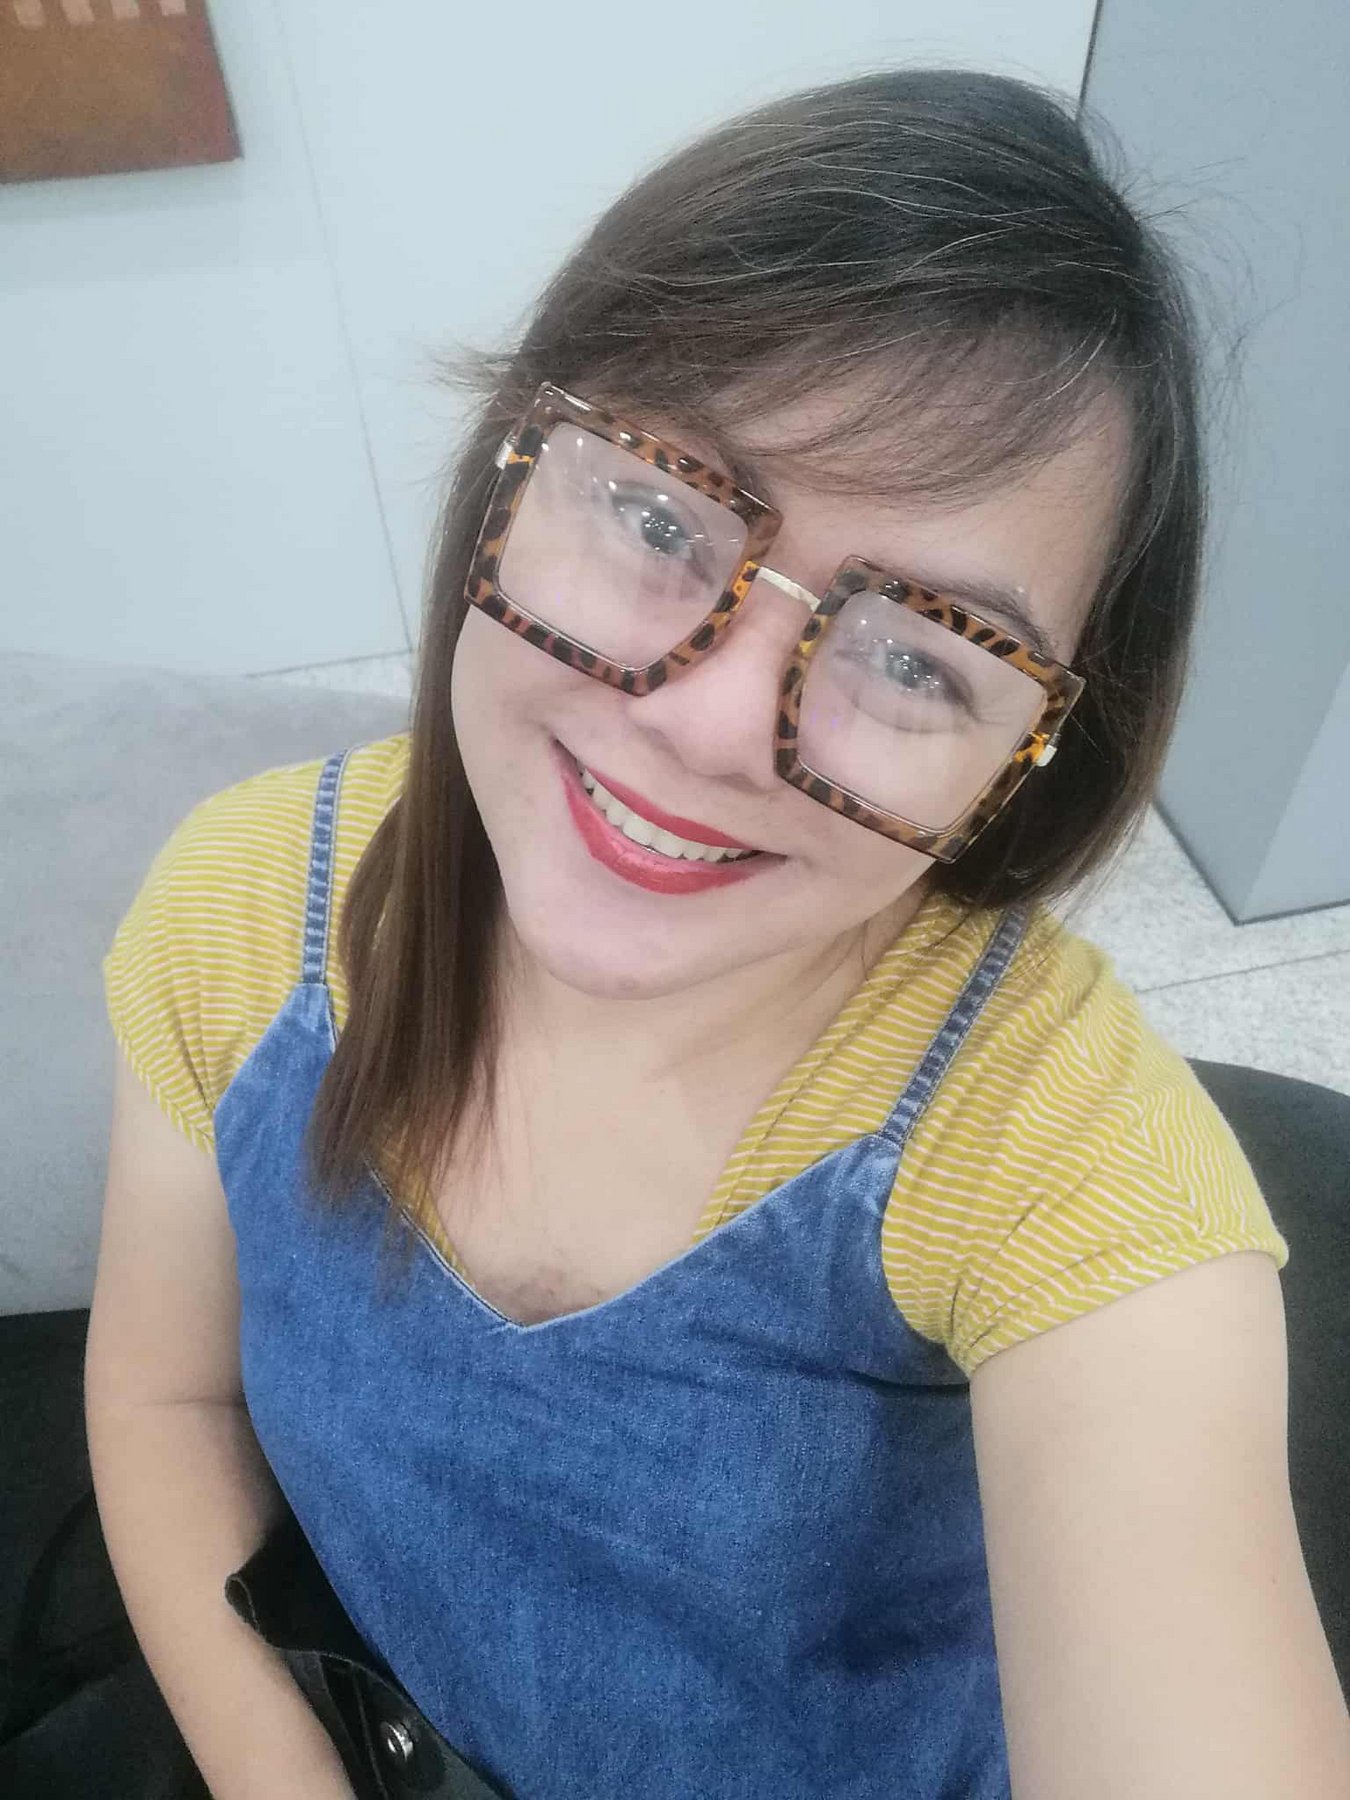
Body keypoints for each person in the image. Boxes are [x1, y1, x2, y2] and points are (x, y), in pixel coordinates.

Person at [84, 66, 1350, 1800]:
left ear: (1022, 766)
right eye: (660, 513)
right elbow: (168, 1406)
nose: (712, 725)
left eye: (916, 657)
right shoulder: (239, 912)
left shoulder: (1070, 1172)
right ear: (512, 467)